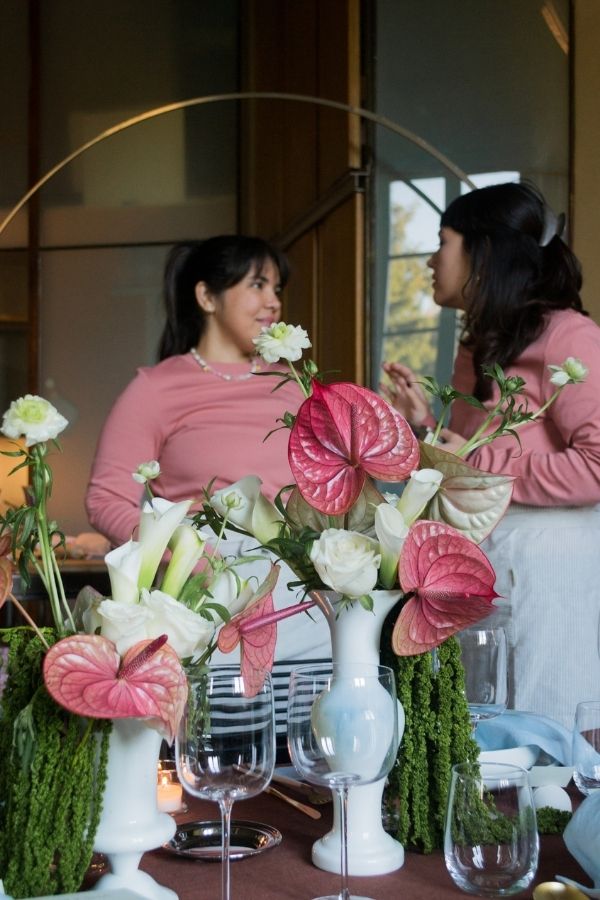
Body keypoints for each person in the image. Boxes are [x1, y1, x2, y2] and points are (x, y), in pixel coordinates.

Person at [382, 181, 600, 729]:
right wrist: (423, 427)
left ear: (481, 252)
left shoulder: (568, 337)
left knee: (547, 752)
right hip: (488, 566)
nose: (431, 260)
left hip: (552, 573)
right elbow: (470, 464)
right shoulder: (479, 346)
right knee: (483, 738)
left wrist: (486, 467)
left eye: (442, 242)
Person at [85, 235, 329, 666]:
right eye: (257, 285)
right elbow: (106, 499)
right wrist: (177, 551)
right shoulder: (155, 388)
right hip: (206, 596)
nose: (273, 301)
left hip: (303, 594)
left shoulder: (294, 385)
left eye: (277, 289)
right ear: (206, 296)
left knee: (301, 726)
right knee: (218, 727)